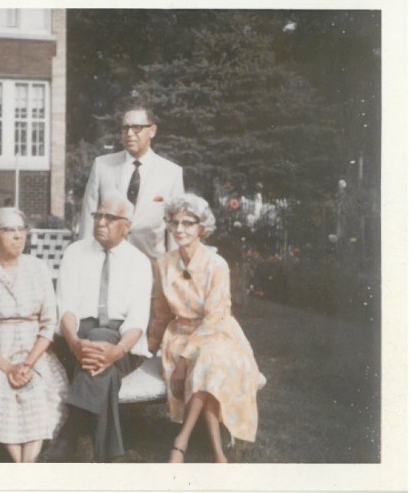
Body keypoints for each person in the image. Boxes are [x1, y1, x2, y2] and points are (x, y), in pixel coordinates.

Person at [147, 194, 264, 463]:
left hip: (219, 333)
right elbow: (162, 312)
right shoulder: (163, 263)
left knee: (208, 362)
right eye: (174, 222)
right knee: (208, 368)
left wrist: (184, 361)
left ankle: (182, 440)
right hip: (179, 335)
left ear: (202, 228)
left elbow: (214, 318)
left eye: (188, 223)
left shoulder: (216, 265)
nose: (179, 229)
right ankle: (217, 453)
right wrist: (151, 346)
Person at [43, 192, 153, 462]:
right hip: (76, 339)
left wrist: (117, 351)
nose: (101, 222)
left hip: (125, 343)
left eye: (110, 217)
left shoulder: (139, 262)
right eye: (98, 215)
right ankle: (110, 456)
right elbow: (66, 309)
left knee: (103, 341)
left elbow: (138, 320)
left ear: (127, 225)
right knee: (105, 371)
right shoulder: (75, 253)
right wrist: (76, 345)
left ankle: (68, 437)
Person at [0, 207, 68, 462]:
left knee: (41, 390)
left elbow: (49, 323)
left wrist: (28, 363)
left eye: (22, 229)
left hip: (34, 351)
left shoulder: (39, 269)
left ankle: (24, 467)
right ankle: (21, 464)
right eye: (10, 230)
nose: (19, 236)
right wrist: (8, 368)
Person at [79, 105, 184, 260]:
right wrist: (85, 259)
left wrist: (174, 268)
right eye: (125, 128)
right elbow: (88, 217)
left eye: (136, 128)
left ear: (152, 131)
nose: (129, 134)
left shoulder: (171, 173)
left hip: (151, 265)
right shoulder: (102, 166)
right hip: (108, 261)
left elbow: (175, 226)